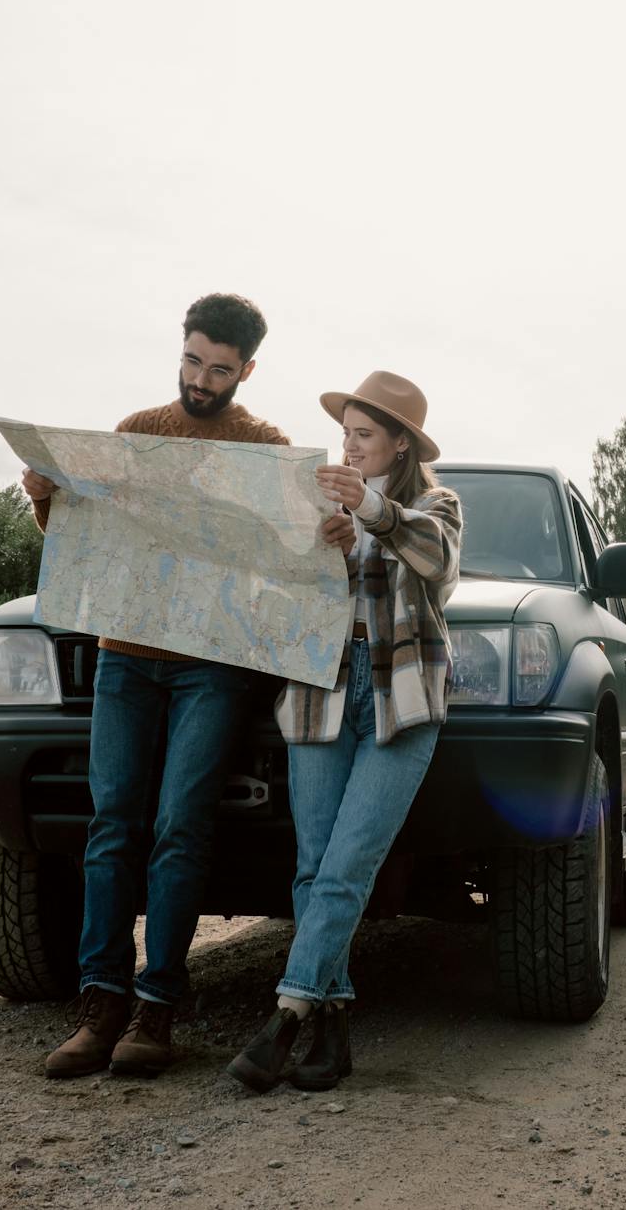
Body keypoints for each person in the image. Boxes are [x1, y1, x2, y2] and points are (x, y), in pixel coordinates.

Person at [27, 292, 352, 1079]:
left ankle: (157, 1008)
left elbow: (293, 556)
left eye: (219, 369)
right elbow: (89, 538)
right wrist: (44, 500)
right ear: (180, 349)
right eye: (192, 361)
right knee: (112, 823)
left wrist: (333, 535)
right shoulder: (137, 431)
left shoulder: (265, 448)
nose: (201, 380)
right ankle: (99, 1002)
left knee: (180, 826)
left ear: (247, 370)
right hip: (125, 655)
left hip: (213, 664)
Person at [228, 370, 462, 1093]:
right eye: (345, 434)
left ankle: (286, 1017)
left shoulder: (435, 505)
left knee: (347, 865)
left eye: (364, 435)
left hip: (401, 697)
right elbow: (275, 596)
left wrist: (370, 510)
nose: (350, 448)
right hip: (319, 689)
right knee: (313, 867)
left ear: (400, 444)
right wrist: (318, 552)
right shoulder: (318, 505)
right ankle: (332, 1032)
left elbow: (439, 563)